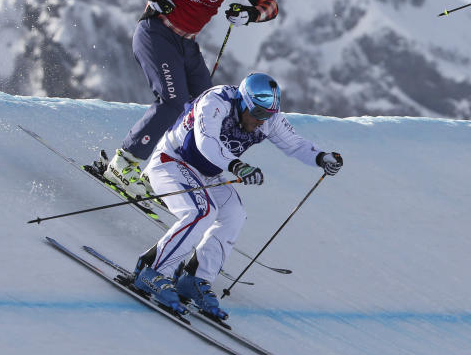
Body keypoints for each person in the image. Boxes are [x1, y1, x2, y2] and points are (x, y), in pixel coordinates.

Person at [129, 72, 344, 319]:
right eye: (258, 114)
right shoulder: (216, 101)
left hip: (206, 173)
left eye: (268, 115)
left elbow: (294, 143)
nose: (262, 121)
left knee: (234, 213)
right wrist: (237, 166)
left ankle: (193, 279)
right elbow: (206, 142)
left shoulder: (268, 118)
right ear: (243, 102)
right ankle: (152, 272)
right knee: (202, 211)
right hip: (172, 161)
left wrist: (321, 157)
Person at [102, 0, 280, 198]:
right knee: (172, 102)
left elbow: (270, 5)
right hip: (156, 32)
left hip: (187, 44)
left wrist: (249, 14)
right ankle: (123, 163)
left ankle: (159, 175)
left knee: (207, 111)